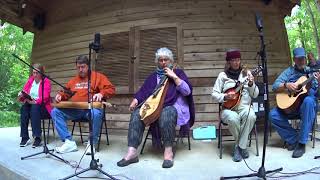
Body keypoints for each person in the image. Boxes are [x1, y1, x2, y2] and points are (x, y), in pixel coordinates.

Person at [117, 47, 195, 168]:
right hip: (154, 108)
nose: (163, 62)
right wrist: (135, 100)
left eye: (166, 59)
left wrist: (174, 77)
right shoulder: (153, 77)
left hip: (172, 107)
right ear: (157, 62)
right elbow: (143, 91)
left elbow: (187, 91)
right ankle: (132, 152)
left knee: (167, 113)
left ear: (171, 61)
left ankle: (168, 152)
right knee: (137, 114)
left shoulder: (178, 73)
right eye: (160, 60)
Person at [51, 55, 115, 154]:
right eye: (78, 67)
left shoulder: (98, 77)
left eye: (83, 67)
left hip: (91, 109)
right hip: (76, 110)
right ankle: (68, 142)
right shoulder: (73, 81)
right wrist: (60, 95)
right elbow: (65, 92)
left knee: (96, 114)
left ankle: (92, 143)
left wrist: (101, 93)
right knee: (55, 112)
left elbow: (111, 89)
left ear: (88, 66)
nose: (80, 70)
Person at [269, 47, 320, 158]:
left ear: (305, 59)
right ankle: (294, 139)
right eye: (298, 59)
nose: (301, 61)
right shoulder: (288, 72)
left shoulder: (311, 72)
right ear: (294, 60)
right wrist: (286, 85)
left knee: (309, 101)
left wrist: (317, 83)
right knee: (272, 114)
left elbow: (316, 93)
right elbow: (274, 86)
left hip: (306, 109)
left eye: (302, 58)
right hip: (290, 106)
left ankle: (301, 144)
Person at [211, 49, 259, 162]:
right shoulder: (222, 76)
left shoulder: (246, 74)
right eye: (233, 60)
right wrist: (225, 97)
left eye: (238, 60)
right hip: (227, 108)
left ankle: (239, 147)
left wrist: (251, 84)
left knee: (251, 115)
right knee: (233, 118)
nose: (236, 62)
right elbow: (214, 94)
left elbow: (255, 94)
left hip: (244, 106)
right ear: (228, 62)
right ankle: (242, 146)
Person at [18, 64, 52, 148]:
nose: (35, 75)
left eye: (37, 73)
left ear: (42, 73)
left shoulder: (46, 81)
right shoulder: (30, 80)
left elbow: (45, 96)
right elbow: (25, 91)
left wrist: (35, 102)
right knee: (24, 108)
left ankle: (37, 137)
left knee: (35, 107)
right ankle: (25, 137)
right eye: (33, 73)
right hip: (31, 105)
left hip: (43, 108)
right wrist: (22, 95)